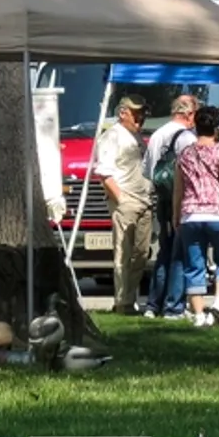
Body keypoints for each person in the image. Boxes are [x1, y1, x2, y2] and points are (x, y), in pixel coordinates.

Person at [93, 95, 155, 313]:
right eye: (136, 112)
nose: (141, 117)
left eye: (143, 112)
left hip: (145, 202)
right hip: (126, 203)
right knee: (123, 254)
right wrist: (121, 200)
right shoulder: (112, 136)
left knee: (141, 254)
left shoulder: (137, 137)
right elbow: (104, 173)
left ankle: (129, 298)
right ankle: (122, 303)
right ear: (122, 113)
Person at [172, 105, 219, 326]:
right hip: (218, 212)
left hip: (190, 214)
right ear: (217, 127)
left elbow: (178, 188)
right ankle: (218, 302)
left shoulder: (184, 153)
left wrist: (175, 215)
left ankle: (198, 315)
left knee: (193, 265)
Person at [145, 95, 199, 316]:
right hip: (181, 201)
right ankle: (173, 306)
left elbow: (148, 171)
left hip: (162, 199)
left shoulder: (156, 134)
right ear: (188, 114)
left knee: (164, 253)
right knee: (180, 255)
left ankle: (153, 304)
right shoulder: (187, 138)